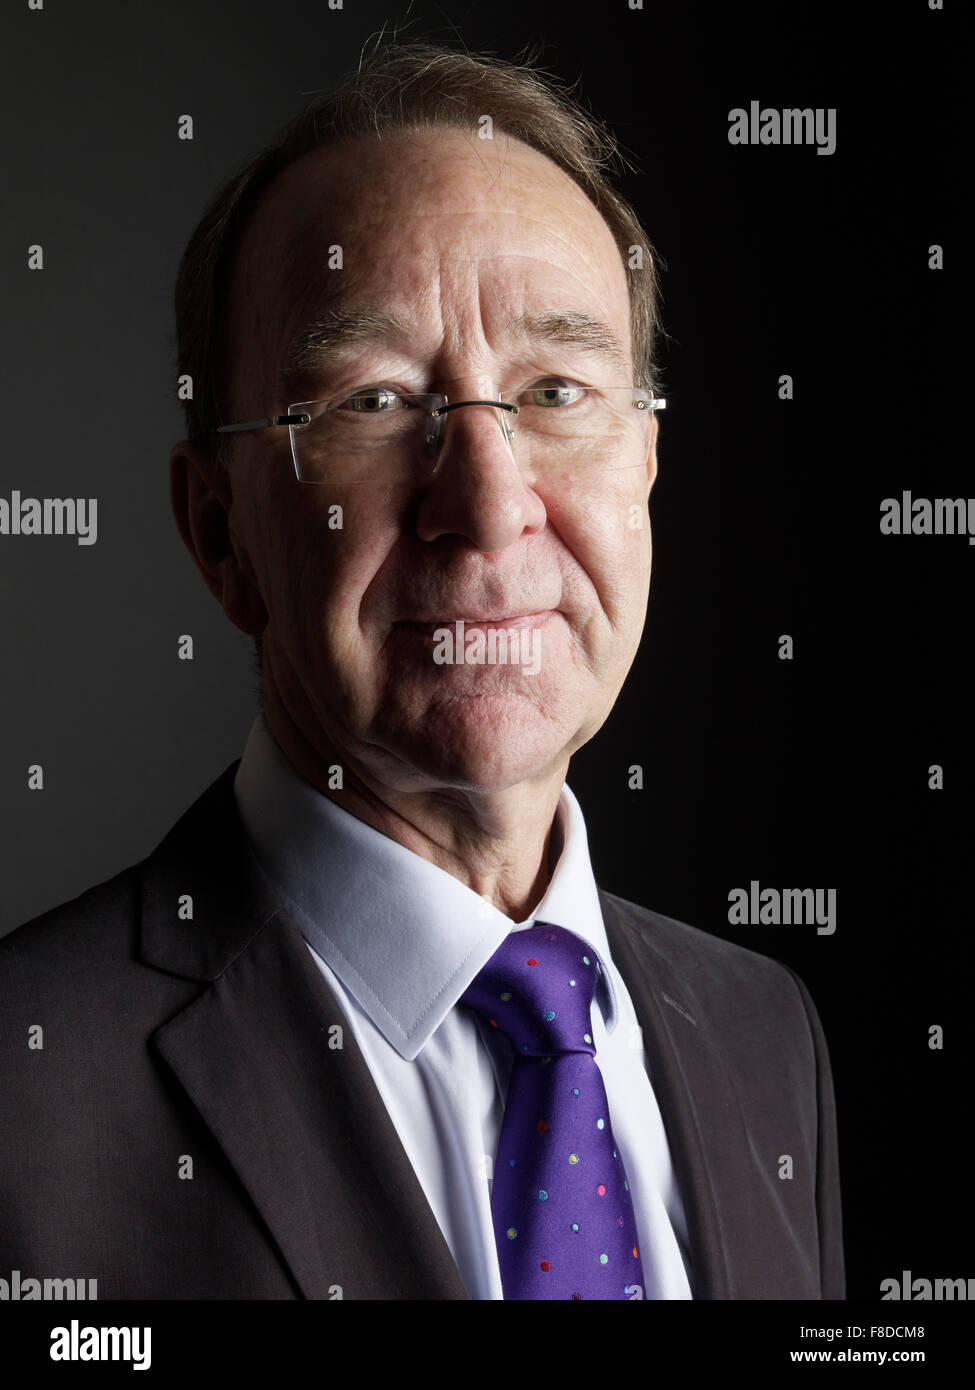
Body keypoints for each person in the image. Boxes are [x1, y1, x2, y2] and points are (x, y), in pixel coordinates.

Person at [0, 40, 843, 1300]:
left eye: (558, 389)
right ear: (220, 531)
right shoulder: (27, 1094)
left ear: (646, 471)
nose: (491, 505)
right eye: (375, 402)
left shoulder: (764, 1033)